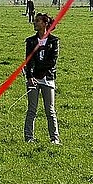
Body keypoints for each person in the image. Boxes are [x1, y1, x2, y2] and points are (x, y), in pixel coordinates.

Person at [23, 13, 60, 145]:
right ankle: (29, 138)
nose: (34, 23)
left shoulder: (54, 41)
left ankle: (54, 138)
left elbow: (52, 61)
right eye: (35, 21)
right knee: (32, 109)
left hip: (47, 79)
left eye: (37, 21)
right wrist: (30, 76)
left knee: (50, 110)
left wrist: (38, 72)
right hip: (33, 80)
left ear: (45, 24)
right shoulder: (30, 41)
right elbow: (28, 60)